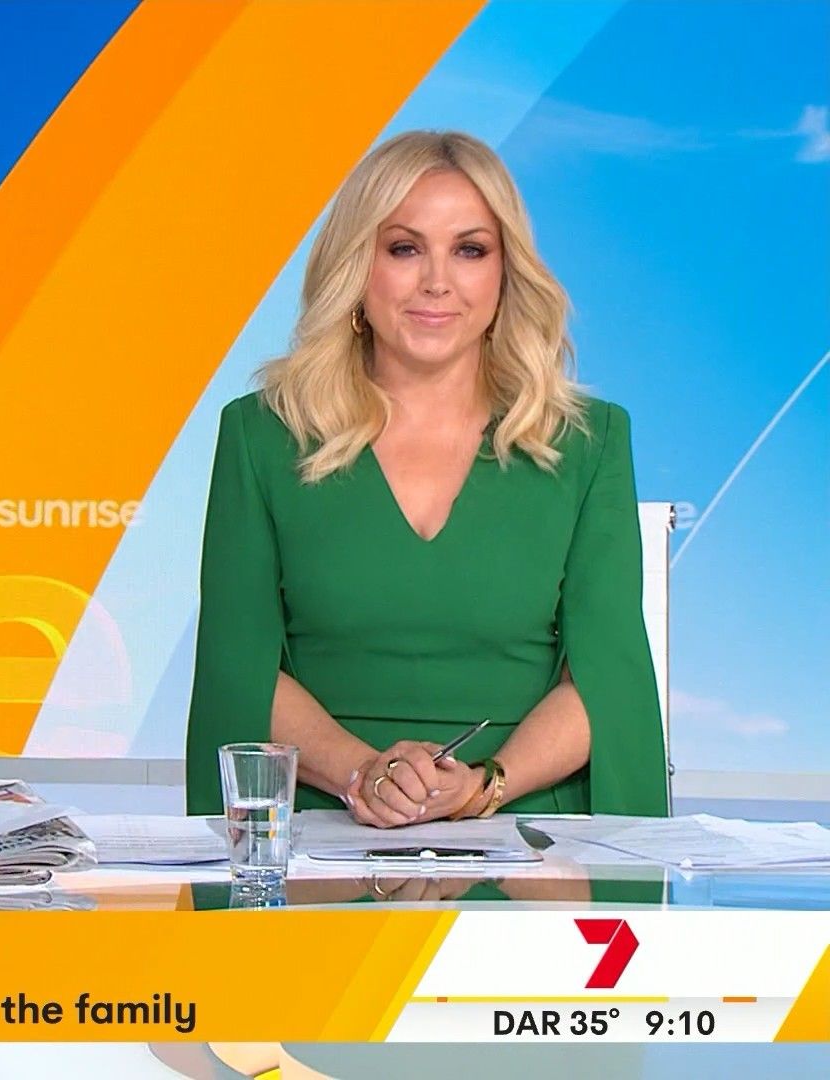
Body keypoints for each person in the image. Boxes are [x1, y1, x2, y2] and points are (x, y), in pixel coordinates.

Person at [185, 130, 668, 823]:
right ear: (358, 265)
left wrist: (482, 785)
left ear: (505, 272)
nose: (436, 281)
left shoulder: (589, 441)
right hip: (319, 826)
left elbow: (605, 680)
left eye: (470, 250)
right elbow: (237, 668)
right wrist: (364, 775)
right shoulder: (262, 434)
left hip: (529, 828)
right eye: (404, 248)